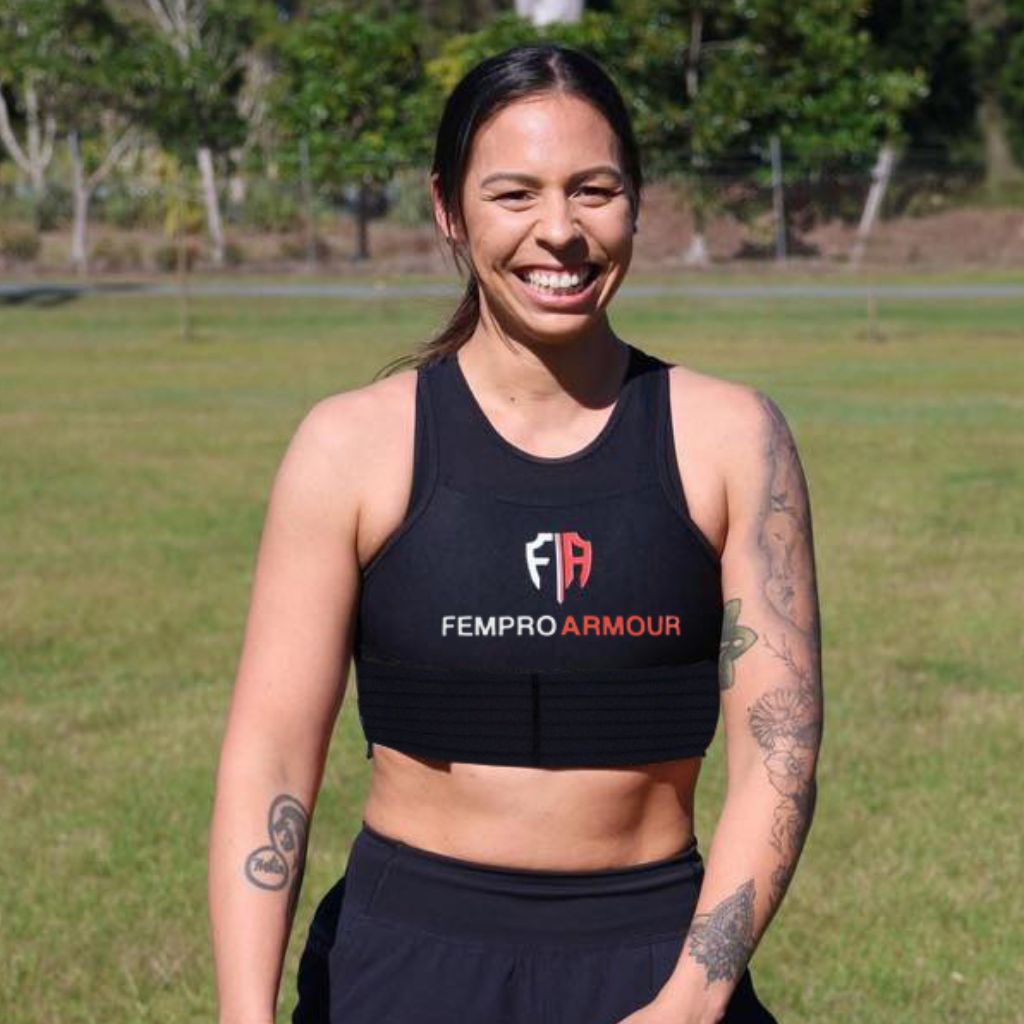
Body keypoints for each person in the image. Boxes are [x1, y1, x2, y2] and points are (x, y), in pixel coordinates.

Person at [208, 43, 823, 1024]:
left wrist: (689, 1001)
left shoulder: (732, 440)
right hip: (406, 960)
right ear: (449, 211)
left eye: (593, 190)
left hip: (653, 957)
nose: (559, 232)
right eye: (513, 194)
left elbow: (779, 752)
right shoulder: (351, 446)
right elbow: (273, 756)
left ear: (636, 202)